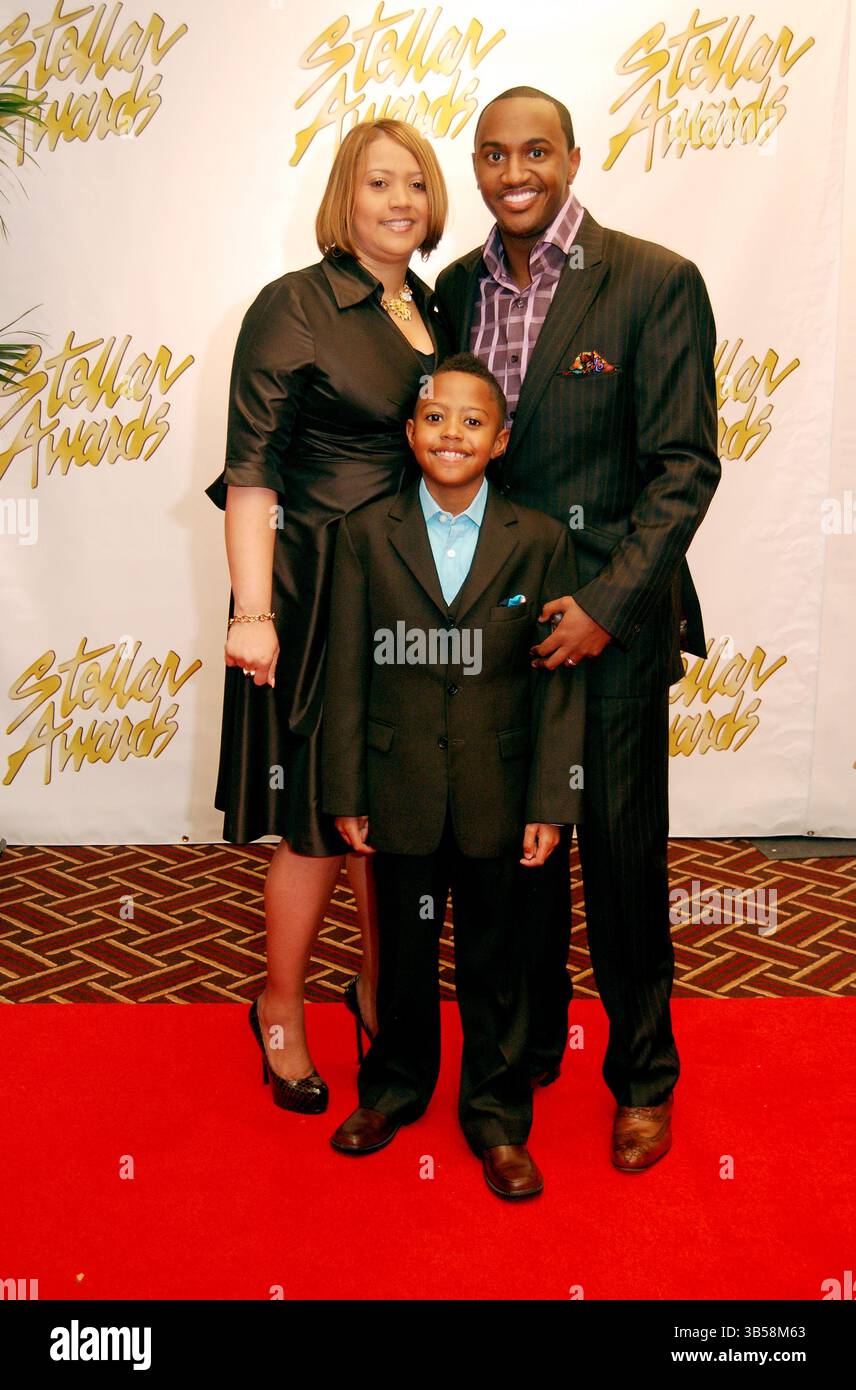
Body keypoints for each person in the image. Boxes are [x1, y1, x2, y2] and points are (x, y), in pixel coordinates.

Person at [434, 86, 721, 1170]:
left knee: (620, 860)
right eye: (495, 154)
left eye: (537, 151)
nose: (516, 172)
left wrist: (606, 607)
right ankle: (529, 1046)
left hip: (609, 626)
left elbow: (683, 465)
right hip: (494, 634)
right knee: (515, 860)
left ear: (572, 157)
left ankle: (644, 1074)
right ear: (476, 164)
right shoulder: (455, 287)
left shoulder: (652, 280)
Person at [204, 119, 450, 1114]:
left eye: (416, 185)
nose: (400, 201)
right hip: (310, 601)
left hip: (407, 598)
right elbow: (252, 470)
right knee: (313, 823)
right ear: (344, 197)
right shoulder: (293, 307)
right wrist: (254, 612)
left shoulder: (432, 307)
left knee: (385, 822)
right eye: (379, 182)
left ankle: (378, 987)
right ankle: (279, 1007)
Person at [321, 354, 585, 1198]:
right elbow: (347, 671)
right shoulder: (365, 533)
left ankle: (499, 1117)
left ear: (500, 441)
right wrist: (345, 788)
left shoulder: (541, 539)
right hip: (398, 784)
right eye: (436, 418)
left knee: (497, 960)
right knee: (401, 953)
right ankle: (393, 1089)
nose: (452, 434)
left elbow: (558, 678)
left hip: (501, 793)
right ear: (410, 432)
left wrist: (552, 799)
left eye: (473, 422)